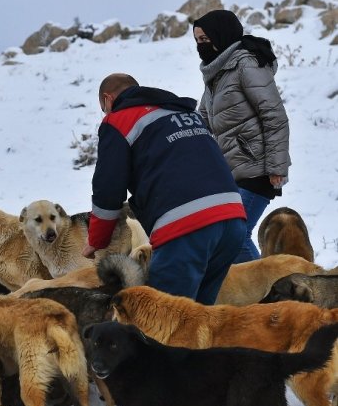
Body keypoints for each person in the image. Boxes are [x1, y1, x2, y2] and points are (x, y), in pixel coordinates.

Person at [82, 73, 247, 305]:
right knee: (198, 318)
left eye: (104, 108)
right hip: (233, 219)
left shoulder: (118, 121)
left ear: (108, 99)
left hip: (187, 225)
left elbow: (108, 187)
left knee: (162, 319)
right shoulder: (184, 112)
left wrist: (96, 240)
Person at [193, 9, 290, 263]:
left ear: (220, 35)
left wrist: (277, 166)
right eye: (197, 41)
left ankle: (264, 295)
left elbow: (274, 115)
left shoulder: (245, 64)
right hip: (232, 170)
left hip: (258, 167)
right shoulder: (216, 74)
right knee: (228, 235)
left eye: (204, 40)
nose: (200, 46)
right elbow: (202, 119)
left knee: (235, 236)